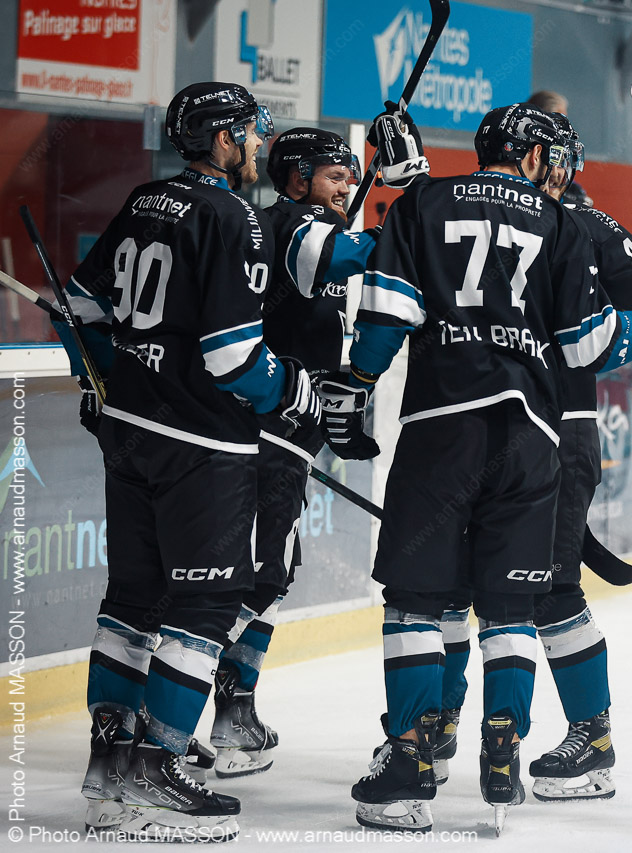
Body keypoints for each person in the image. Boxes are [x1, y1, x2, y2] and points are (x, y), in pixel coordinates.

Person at [316, 103, 632, 834]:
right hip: (536, 434)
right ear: (537, 154)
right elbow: (595, 338)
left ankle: (423, 753)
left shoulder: (436, 202)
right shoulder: (563, 221)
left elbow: (387, 307)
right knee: (503, 602)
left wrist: (357, 379)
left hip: (450, 425)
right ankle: (492, 744)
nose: (563, 170)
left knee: (429, 596)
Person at [425, 112, 632, 803]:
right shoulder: (465, 211)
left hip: (558, 430)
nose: (562, 169)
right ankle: (433, 728)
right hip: (472, 427)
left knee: (549, 586)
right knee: (448, 586)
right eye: (556, 156)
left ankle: (592, 738)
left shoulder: (579, 221)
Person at [68, 82, 320, 842]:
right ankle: (156, 770)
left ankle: (109, 766)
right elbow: (233, 357)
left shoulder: (144, 200)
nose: (257, 145)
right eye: (250, 132)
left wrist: (103, 374)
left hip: (130, 431)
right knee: (207, 602)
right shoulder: (232, 216)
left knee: (132, 600)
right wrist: (292, 391)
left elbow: (82, 305)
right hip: (200, 444)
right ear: (222, 139)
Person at [202, 122, 429, 780]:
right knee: (258, 572)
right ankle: (177, 694)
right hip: (264, 431)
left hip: (288, 434)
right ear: (298, 179)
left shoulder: (314, 225)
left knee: (270, 571)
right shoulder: (288, 223)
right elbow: (345, 255)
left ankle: (232, 709)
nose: (347, 187)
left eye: (352, 178)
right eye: (335, 176)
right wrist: (417, 215)